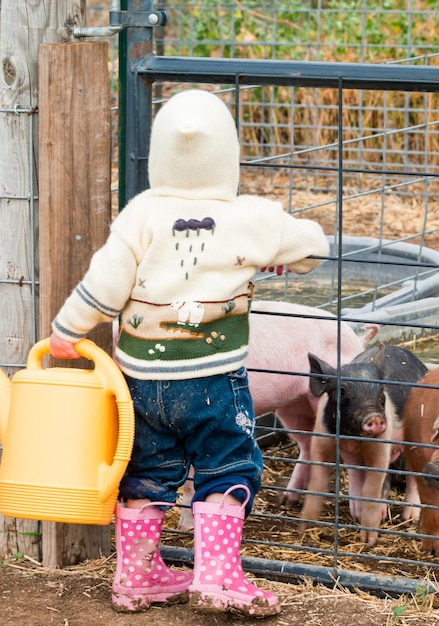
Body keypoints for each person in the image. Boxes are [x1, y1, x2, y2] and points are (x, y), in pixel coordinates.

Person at [49, 89, 330, 618]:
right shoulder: (252, 216)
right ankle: (218, 576)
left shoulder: (141, 213)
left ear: (160, 157)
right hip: (212, 380)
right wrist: (275, 258)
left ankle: (136, 578)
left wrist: (68, 327)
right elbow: (313, 248)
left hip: (141, 379)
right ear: (229, 157)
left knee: (148, 470)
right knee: (227, 466)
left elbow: (105, 282)